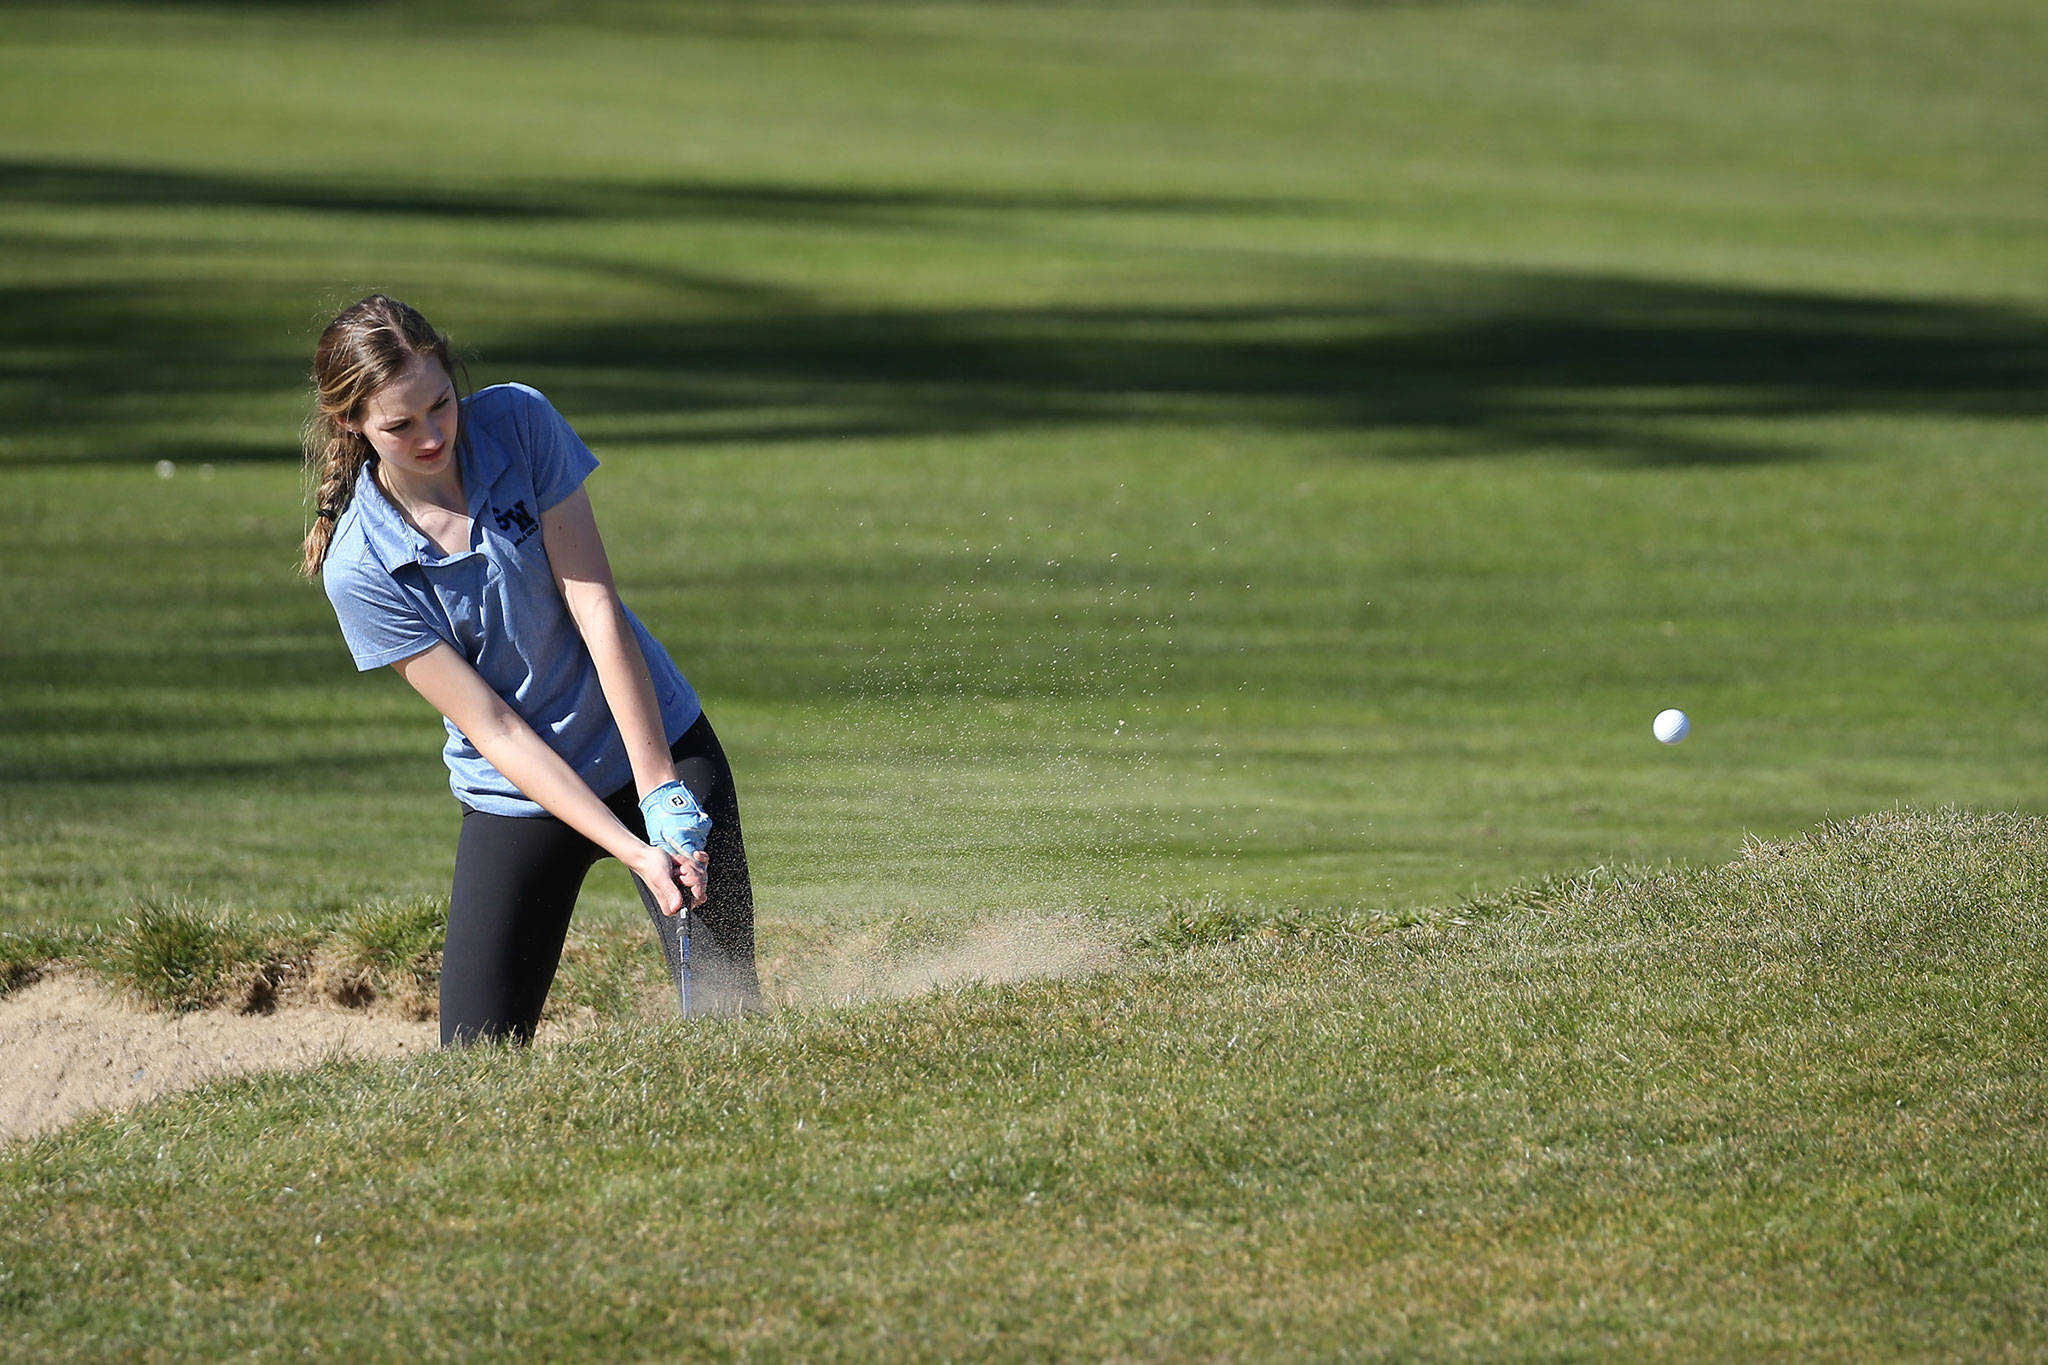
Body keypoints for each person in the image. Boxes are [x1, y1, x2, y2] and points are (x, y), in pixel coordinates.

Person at [300, 294, 760, 1045]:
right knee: (475, 1060)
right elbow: (494, 725)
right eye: (400, 424)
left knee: (727, 1011)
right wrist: (631, 848)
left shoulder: (517, 420)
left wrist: (659, 792)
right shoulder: (359, 567)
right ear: (351, 423)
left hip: (656, 744)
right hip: (519, 794)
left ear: (454, 378)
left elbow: (595, 606)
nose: (431, 435)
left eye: (440, 405)